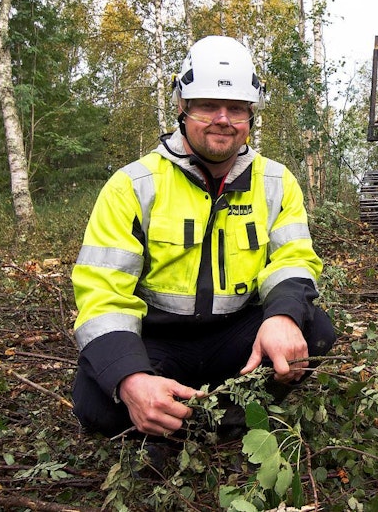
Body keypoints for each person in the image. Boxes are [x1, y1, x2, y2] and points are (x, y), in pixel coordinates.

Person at [70, 35, 336, 447]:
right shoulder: (132, 186)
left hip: (238, 341)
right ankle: (165, 413)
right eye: (207, 106)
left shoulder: (276, 182)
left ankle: (232, 422)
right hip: (157, 341)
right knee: (96, 397)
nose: (223, 119)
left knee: (314, 330)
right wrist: (131, 377)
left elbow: (293, 259)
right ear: (181, 107)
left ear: (251, 114)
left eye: (236, 109)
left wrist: (281, 315)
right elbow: (102, 296)